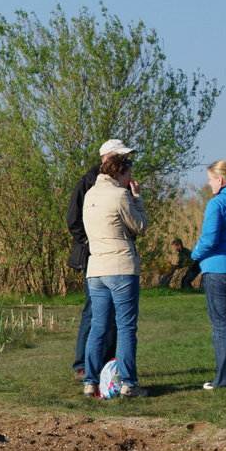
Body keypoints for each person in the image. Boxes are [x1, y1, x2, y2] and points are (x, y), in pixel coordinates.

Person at [82, 153, 149, 398]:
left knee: (98, 327)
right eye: (128, 174)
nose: (130, 179)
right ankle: (129, 384)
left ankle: (90, 382)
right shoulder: (120, 195)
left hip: (96, 268)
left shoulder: (90, 195)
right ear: (119, 173)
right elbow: (139, 226)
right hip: (120, 266)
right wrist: (138, 199)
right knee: (126, 327)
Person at [66, 140, 128, 381]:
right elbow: (73, 220)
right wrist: (92, 243)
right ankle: (82, 365)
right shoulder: (88, 182)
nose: (126, 161)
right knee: (93, 311)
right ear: (108, 157)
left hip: (114, 255)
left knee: (112, 313)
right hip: (94, 255)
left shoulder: (118, 183)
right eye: (122, 157)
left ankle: (108, 363)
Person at [191, 160, 226, 390]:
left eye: (210, 179)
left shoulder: (217, 203)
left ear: (220, 180)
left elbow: (210, 239)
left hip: (218, 270)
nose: (209, 183)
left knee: (222, 326)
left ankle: (225, 379)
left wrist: (195, 254)